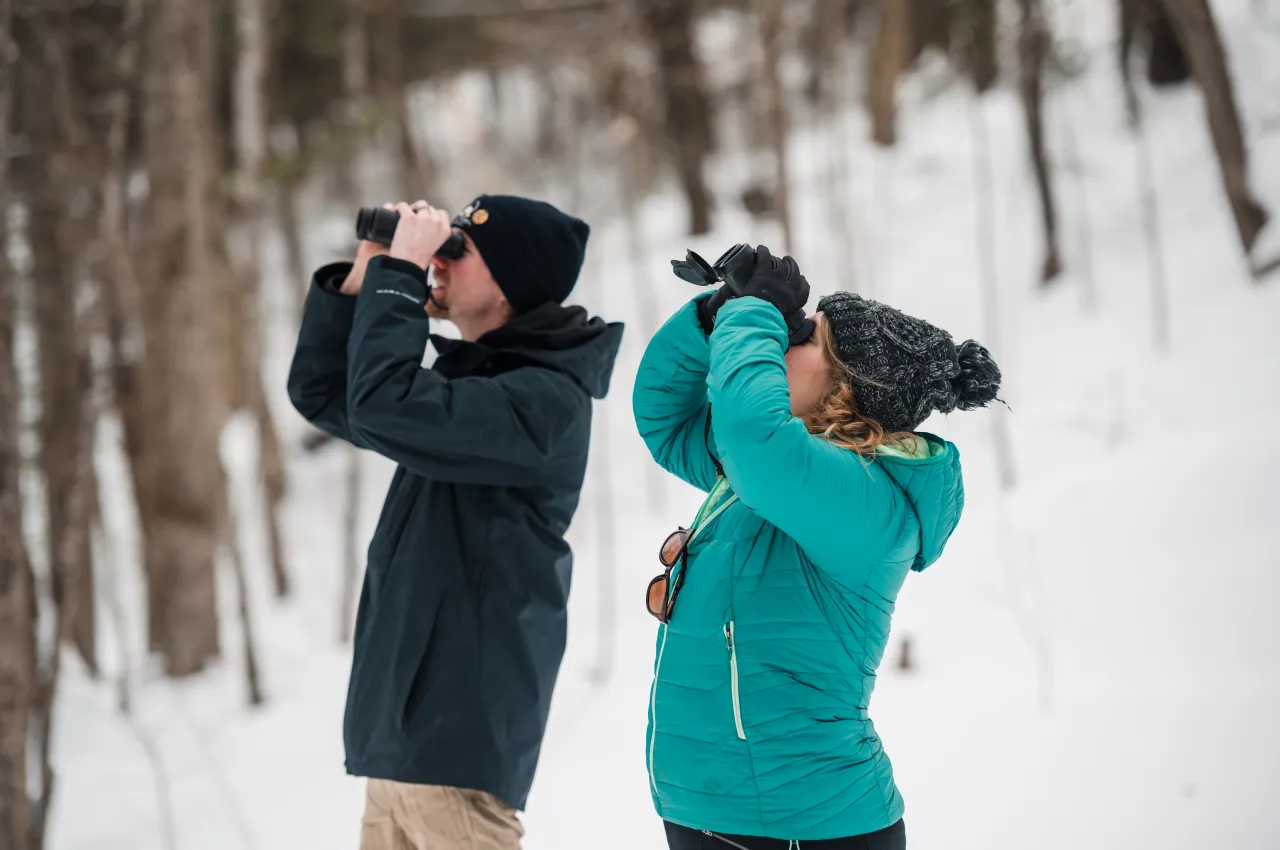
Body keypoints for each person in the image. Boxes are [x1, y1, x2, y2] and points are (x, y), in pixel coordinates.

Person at [632, 246, 1001, 850]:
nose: (781, 338)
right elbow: (665, 418)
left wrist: (753, 313)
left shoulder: (866, 502)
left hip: (809, 826)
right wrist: (717, 314)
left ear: (846, 392)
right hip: (715, 813)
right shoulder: (772, 476)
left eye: (803, 335)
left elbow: (752, 437)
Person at [287, 195, 624, 850]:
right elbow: (326, 393)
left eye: (458, 250)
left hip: (456, 743)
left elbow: (384, 404)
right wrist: (366, 279)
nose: (440, 261)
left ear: (510, 284)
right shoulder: (476, 384)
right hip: (405, 745)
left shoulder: (541, 402)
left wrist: (403, 276)